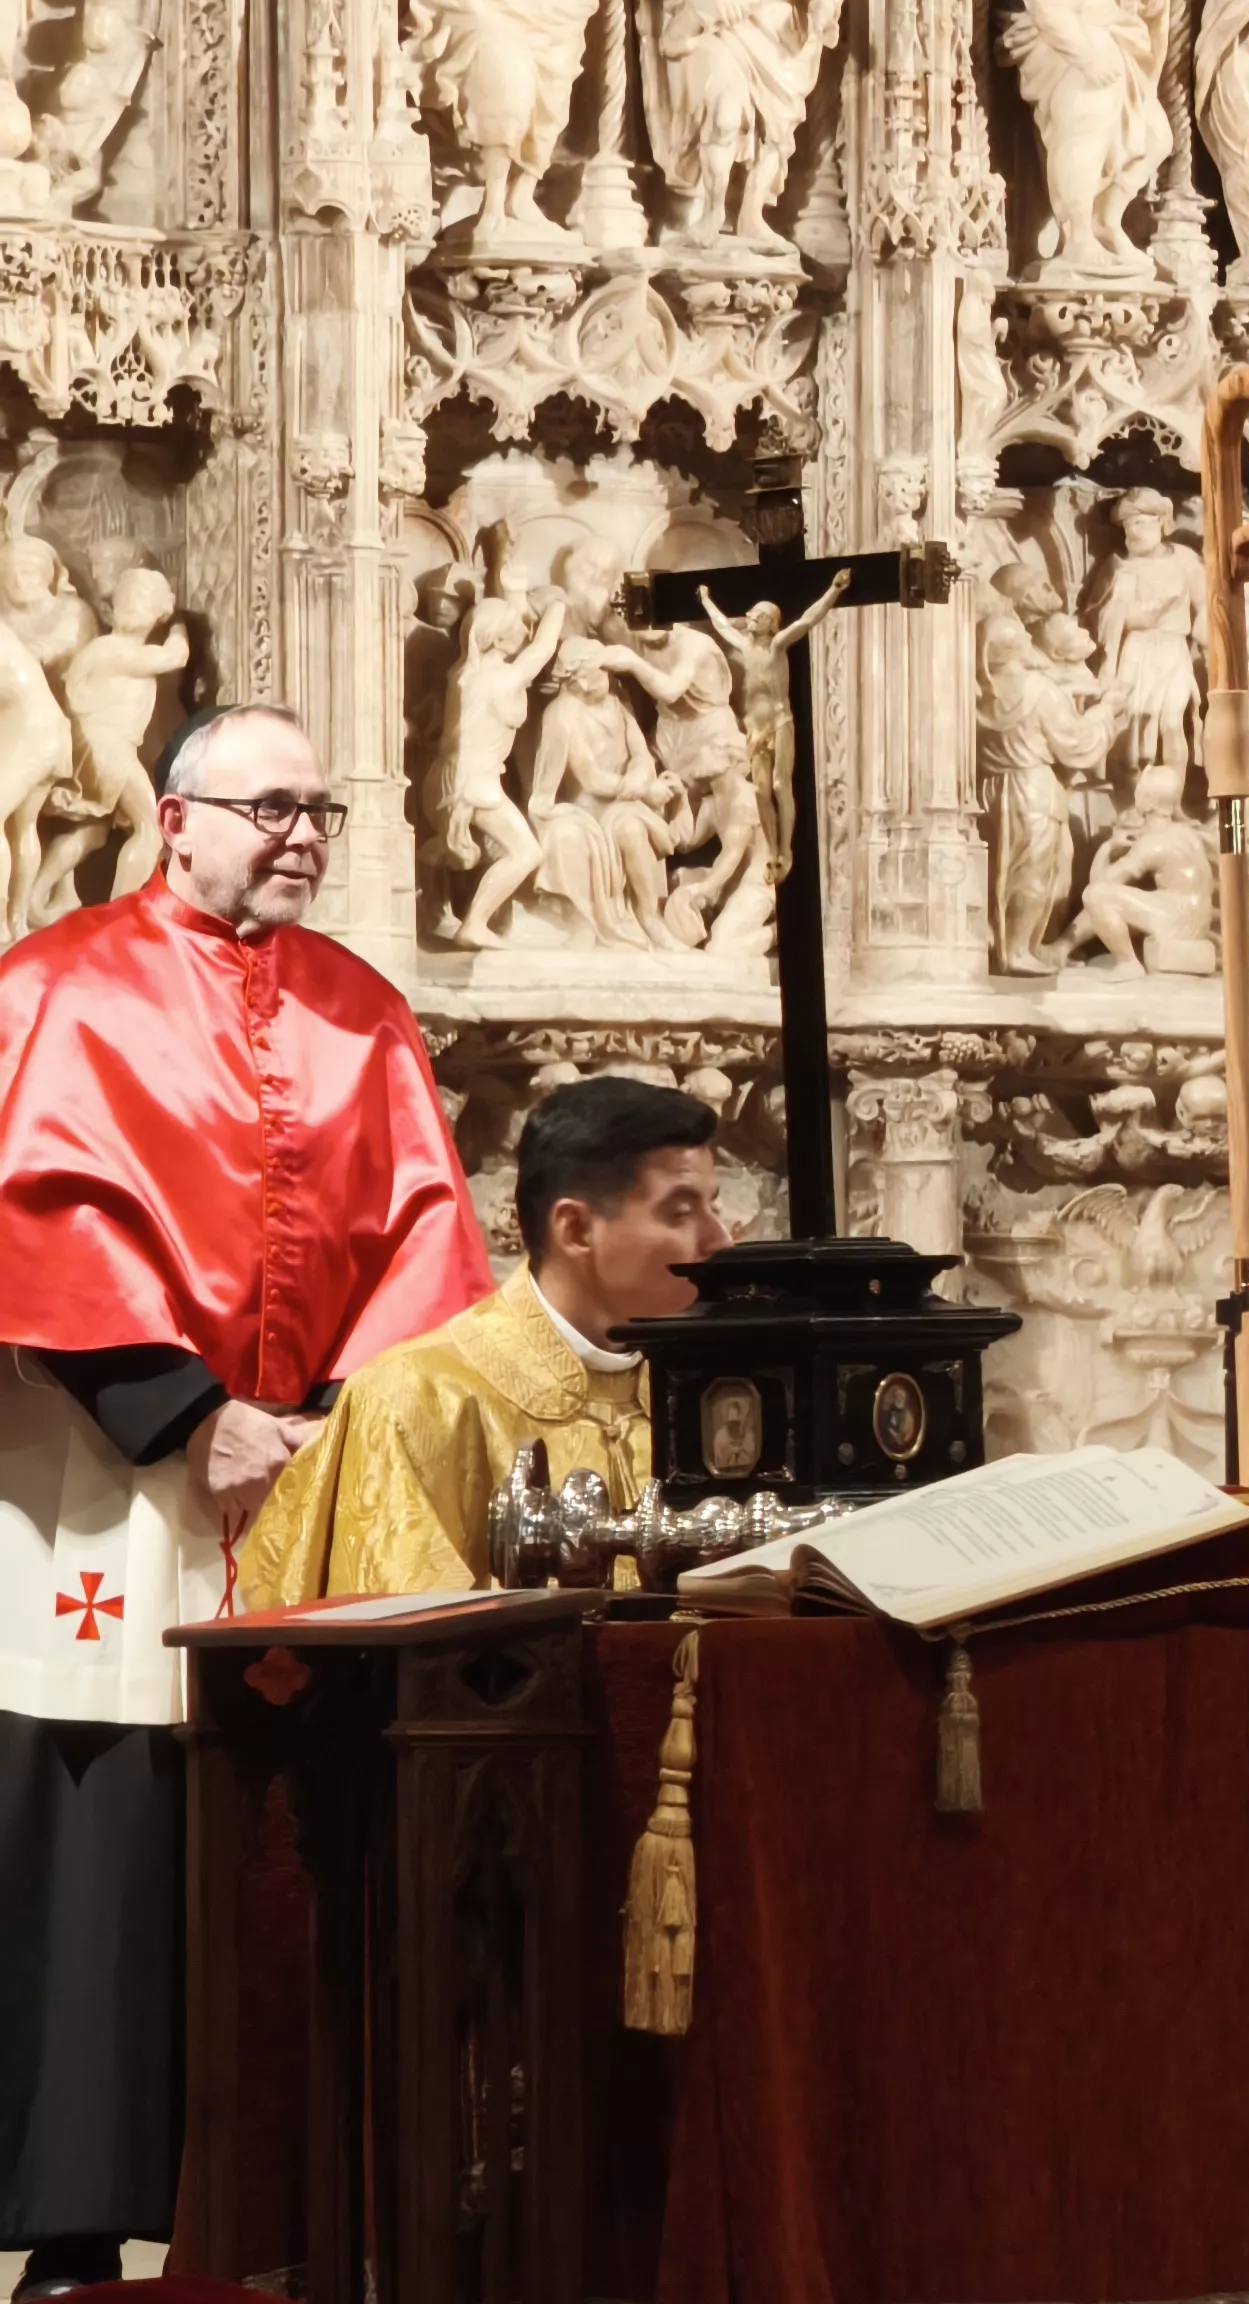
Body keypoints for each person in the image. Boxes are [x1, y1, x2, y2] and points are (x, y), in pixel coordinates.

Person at [0, 705, 489, 2292]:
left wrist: (337, 1425)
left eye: (323, 811)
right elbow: (36, 1214)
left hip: (305, 1478)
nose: (303, 836)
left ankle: (278, 2215)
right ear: (176, 817)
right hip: (102, 1476)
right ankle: (76, 2234)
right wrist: (183, 1415)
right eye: (271, 807)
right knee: (102, 1839)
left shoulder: (363, 1009)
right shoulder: (56, 986)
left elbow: (422, 1233)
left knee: (286, 1828)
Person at [241, 1078, 735, 1607]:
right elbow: (412, 1653)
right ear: (575, 1229)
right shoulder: (414, 1402)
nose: (720, 1240)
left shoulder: (715, 1394)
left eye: (713, 1206)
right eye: (681, 1213)